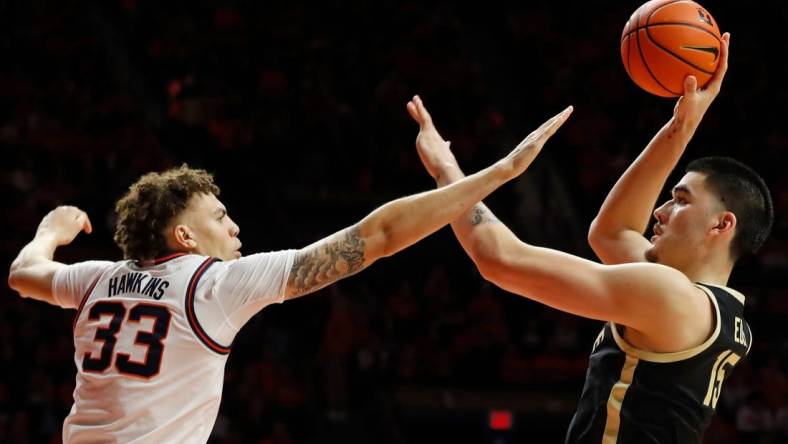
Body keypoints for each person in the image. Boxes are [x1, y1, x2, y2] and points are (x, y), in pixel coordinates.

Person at [6, 102, 572, 443]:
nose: (235, 229)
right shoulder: (213, 287)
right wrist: (498, 172)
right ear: (183, 237)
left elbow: (22, 272)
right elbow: (375, 237)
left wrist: (52, 230)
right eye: (220, 217)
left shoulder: (94, 280)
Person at [409, 33, 773, 443]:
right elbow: (612, 233)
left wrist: (446, 171)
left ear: (722, 225)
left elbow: (499, 258)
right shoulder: (717, 310)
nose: (660, 210)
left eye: (681, 200)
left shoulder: (669, 295)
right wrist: (682, 124)